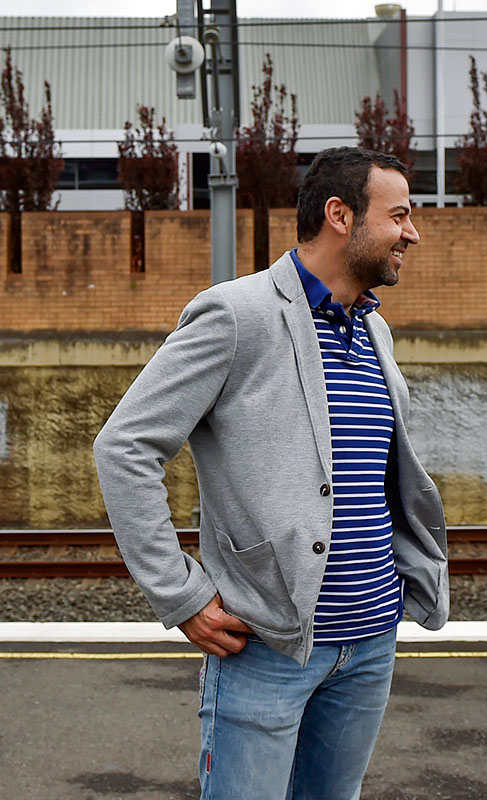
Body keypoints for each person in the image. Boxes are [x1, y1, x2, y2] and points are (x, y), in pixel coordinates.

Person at [93, 147, 448, 800]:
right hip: (265, 652)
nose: (412, 233)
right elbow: (124, 447)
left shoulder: (375, 332)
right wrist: (183, 596)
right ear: (340, 216)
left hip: (370, 647)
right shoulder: (237, 316)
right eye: (399, 216)